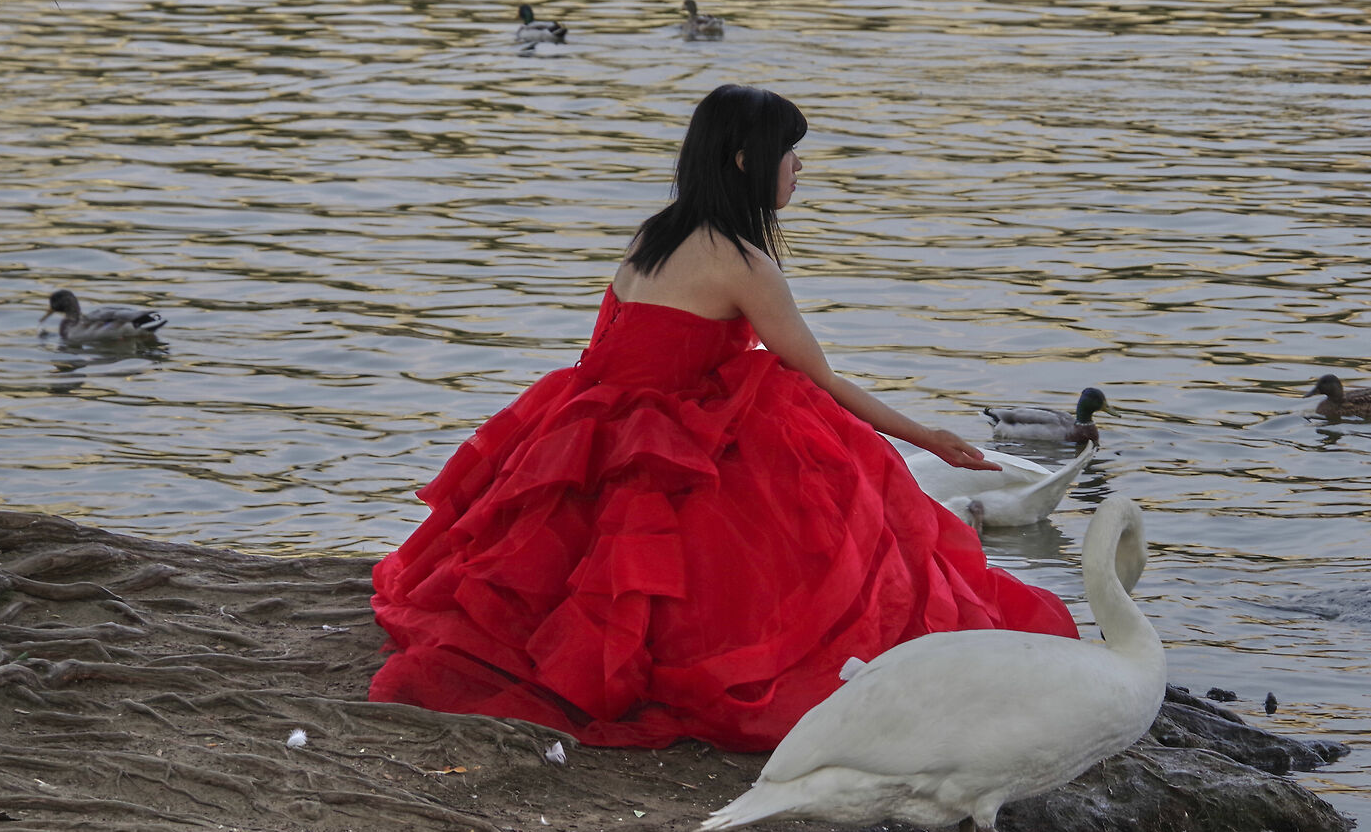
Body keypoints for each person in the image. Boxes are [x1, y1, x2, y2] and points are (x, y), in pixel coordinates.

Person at [369, 84, 1078, 748]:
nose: (799, 168)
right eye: (789, 153)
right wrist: (927, 436)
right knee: (798, 420)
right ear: (747, 160)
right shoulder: (743, 263)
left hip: (592, 423)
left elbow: (616, 353)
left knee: (761, 398)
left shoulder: (658, 233)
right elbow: (820, 377)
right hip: (655, 438)